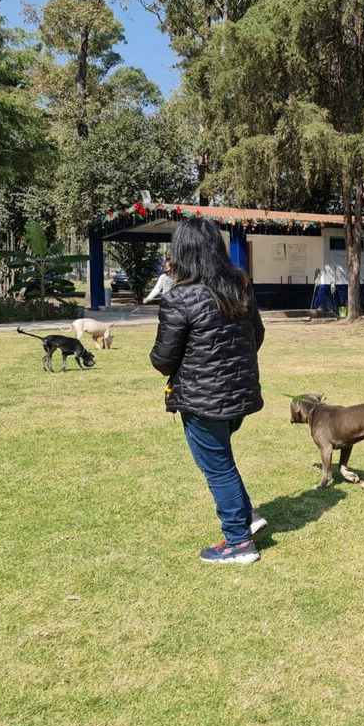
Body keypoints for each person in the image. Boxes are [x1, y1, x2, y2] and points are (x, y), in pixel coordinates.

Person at [150, 221, 267, 564]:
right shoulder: (240, 287)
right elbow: (256, 336)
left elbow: (162, 359)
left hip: (204, 401)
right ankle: (247, 516)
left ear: (183, 252)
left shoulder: (179, 298)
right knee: (222, 460)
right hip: (237, 397)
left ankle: (238, 542)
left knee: (216, 466)